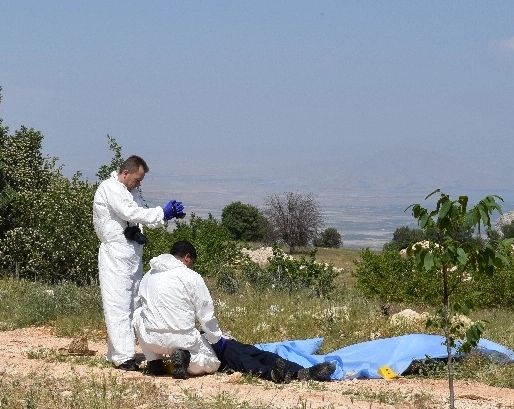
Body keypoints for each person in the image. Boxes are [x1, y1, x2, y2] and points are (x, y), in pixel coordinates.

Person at [134, 240, 336, 383]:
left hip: (153, 343)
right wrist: (217, 339)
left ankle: (156, 364)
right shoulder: (190, 276)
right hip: (184, 342)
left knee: (137, 315)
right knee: (231, 354)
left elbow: (141, 312)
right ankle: (288, 372)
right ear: (187, 258)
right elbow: (206, 314)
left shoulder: (148, 277)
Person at [93, 155, 184, 370]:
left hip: (132, 255)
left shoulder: (130, 192)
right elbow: (129, 212)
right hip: (115, 254)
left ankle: (125, 351)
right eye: (137, 178)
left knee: (135, 304)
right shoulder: (110, 188)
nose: (139, 183)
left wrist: (165, 216)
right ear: (126, 173)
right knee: (118, 304)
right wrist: (162, 212)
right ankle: (123, 357)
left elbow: (140, 215)